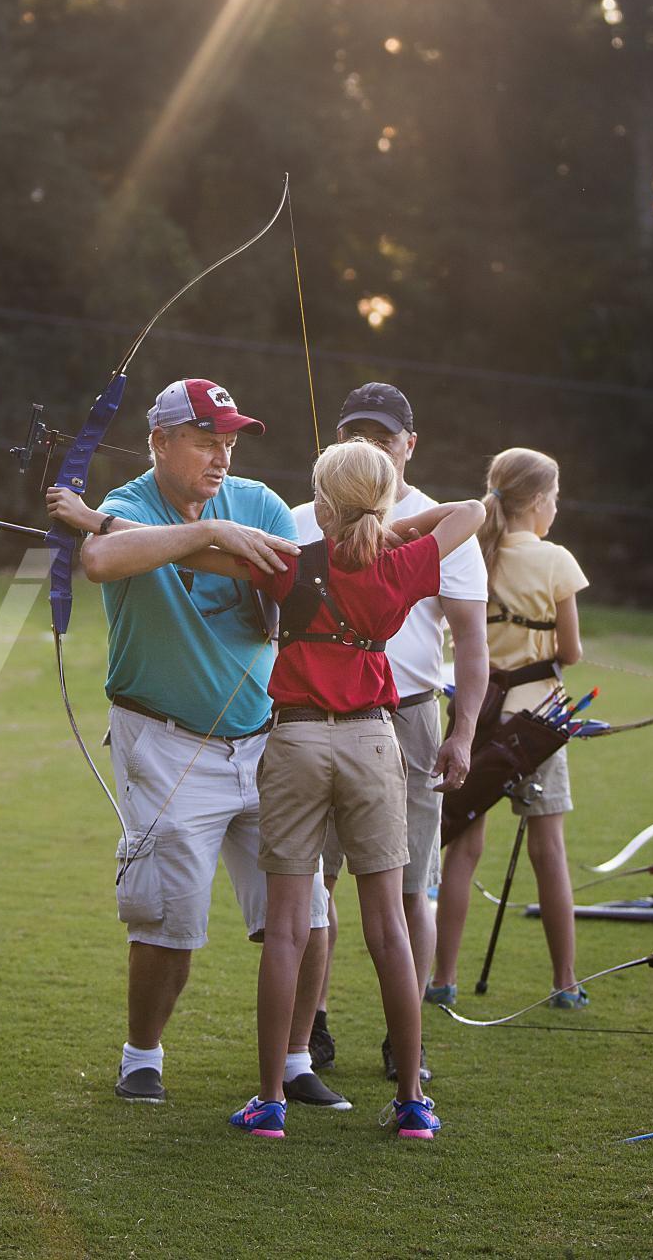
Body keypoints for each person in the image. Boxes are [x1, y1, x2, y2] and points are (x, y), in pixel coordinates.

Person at [44, 378, 341, 1110]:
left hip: (266, 740)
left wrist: (226, 541)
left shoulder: (260, 500)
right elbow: (103, 561)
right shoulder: (126, 509)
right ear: (161, 442)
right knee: (167, 916)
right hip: (164, 741)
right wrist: (209, 535)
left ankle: (297, 1060)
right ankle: (141, 1056)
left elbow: (298, 582)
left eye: (229, 441)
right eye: (207, 440)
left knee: (307, 916)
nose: (221, 456)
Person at [194, 440, 484, 1138]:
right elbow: (470, 510)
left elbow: (189, 554)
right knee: (388, 925)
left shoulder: (289, 562)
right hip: (371, 740)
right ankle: (412, 1101)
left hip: (294, 742)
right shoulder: (403, 564)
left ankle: (269, 1103)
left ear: (319, 507)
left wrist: (101, 522)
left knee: (289, 927)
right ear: (382, 505)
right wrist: (394, 527)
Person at [292, 383, 489, 1082]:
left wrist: (462, 732)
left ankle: (401, 1045)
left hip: (406, 716)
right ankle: (306, 1034)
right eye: (355, 434)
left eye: (383, 436)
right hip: (313, 717)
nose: (371, 445)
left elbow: (469, 640)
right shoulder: (302, 520)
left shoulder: (436, 531)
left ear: (410, 444)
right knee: (314, 888)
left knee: (409, 889)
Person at [428, 445, 590, 1007]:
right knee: (550, 852)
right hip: (539, 723)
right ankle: (564, 982)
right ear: (541, 501)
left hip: (478, 717)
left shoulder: (473, 550)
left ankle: (442, 979)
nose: (556, 508)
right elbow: (569, 650)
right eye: (556, 498)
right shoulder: (556, 560)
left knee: (462, 846)